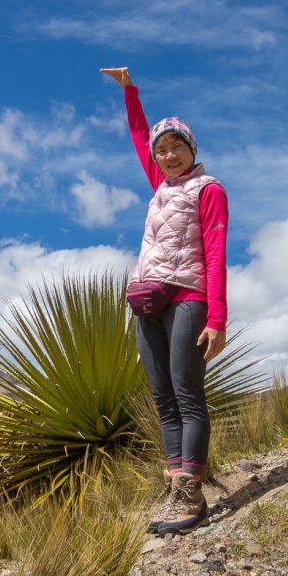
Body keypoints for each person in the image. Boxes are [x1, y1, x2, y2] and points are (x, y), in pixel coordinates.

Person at [100, 66, 229, 535]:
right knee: (162, 396)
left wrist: (217, 317)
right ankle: (175, 480)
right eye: (162, 150)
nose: (169, 155)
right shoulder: (159, 185)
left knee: (187, 393)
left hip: (189, 298)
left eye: (177, 148)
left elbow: (216, 254)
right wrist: (130, 92)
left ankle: (191, 492)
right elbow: (138, 134)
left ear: (191, 150)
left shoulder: (208, 189)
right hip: (147, 300)